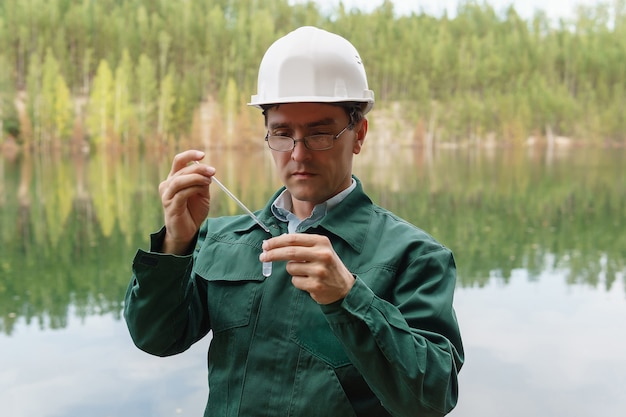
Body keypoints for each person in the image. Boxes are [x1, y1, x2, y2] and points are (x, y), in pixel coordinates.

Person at [124, 26, 464, 417]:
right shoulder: (221, 239)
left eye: (320, 134)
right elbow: (156, 338)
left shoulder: (415, 256)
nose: (299, 155)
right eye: (283, 134)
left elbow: (433, 397)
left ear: (359, 134)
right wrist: (175, 243)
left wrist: (349, 298)